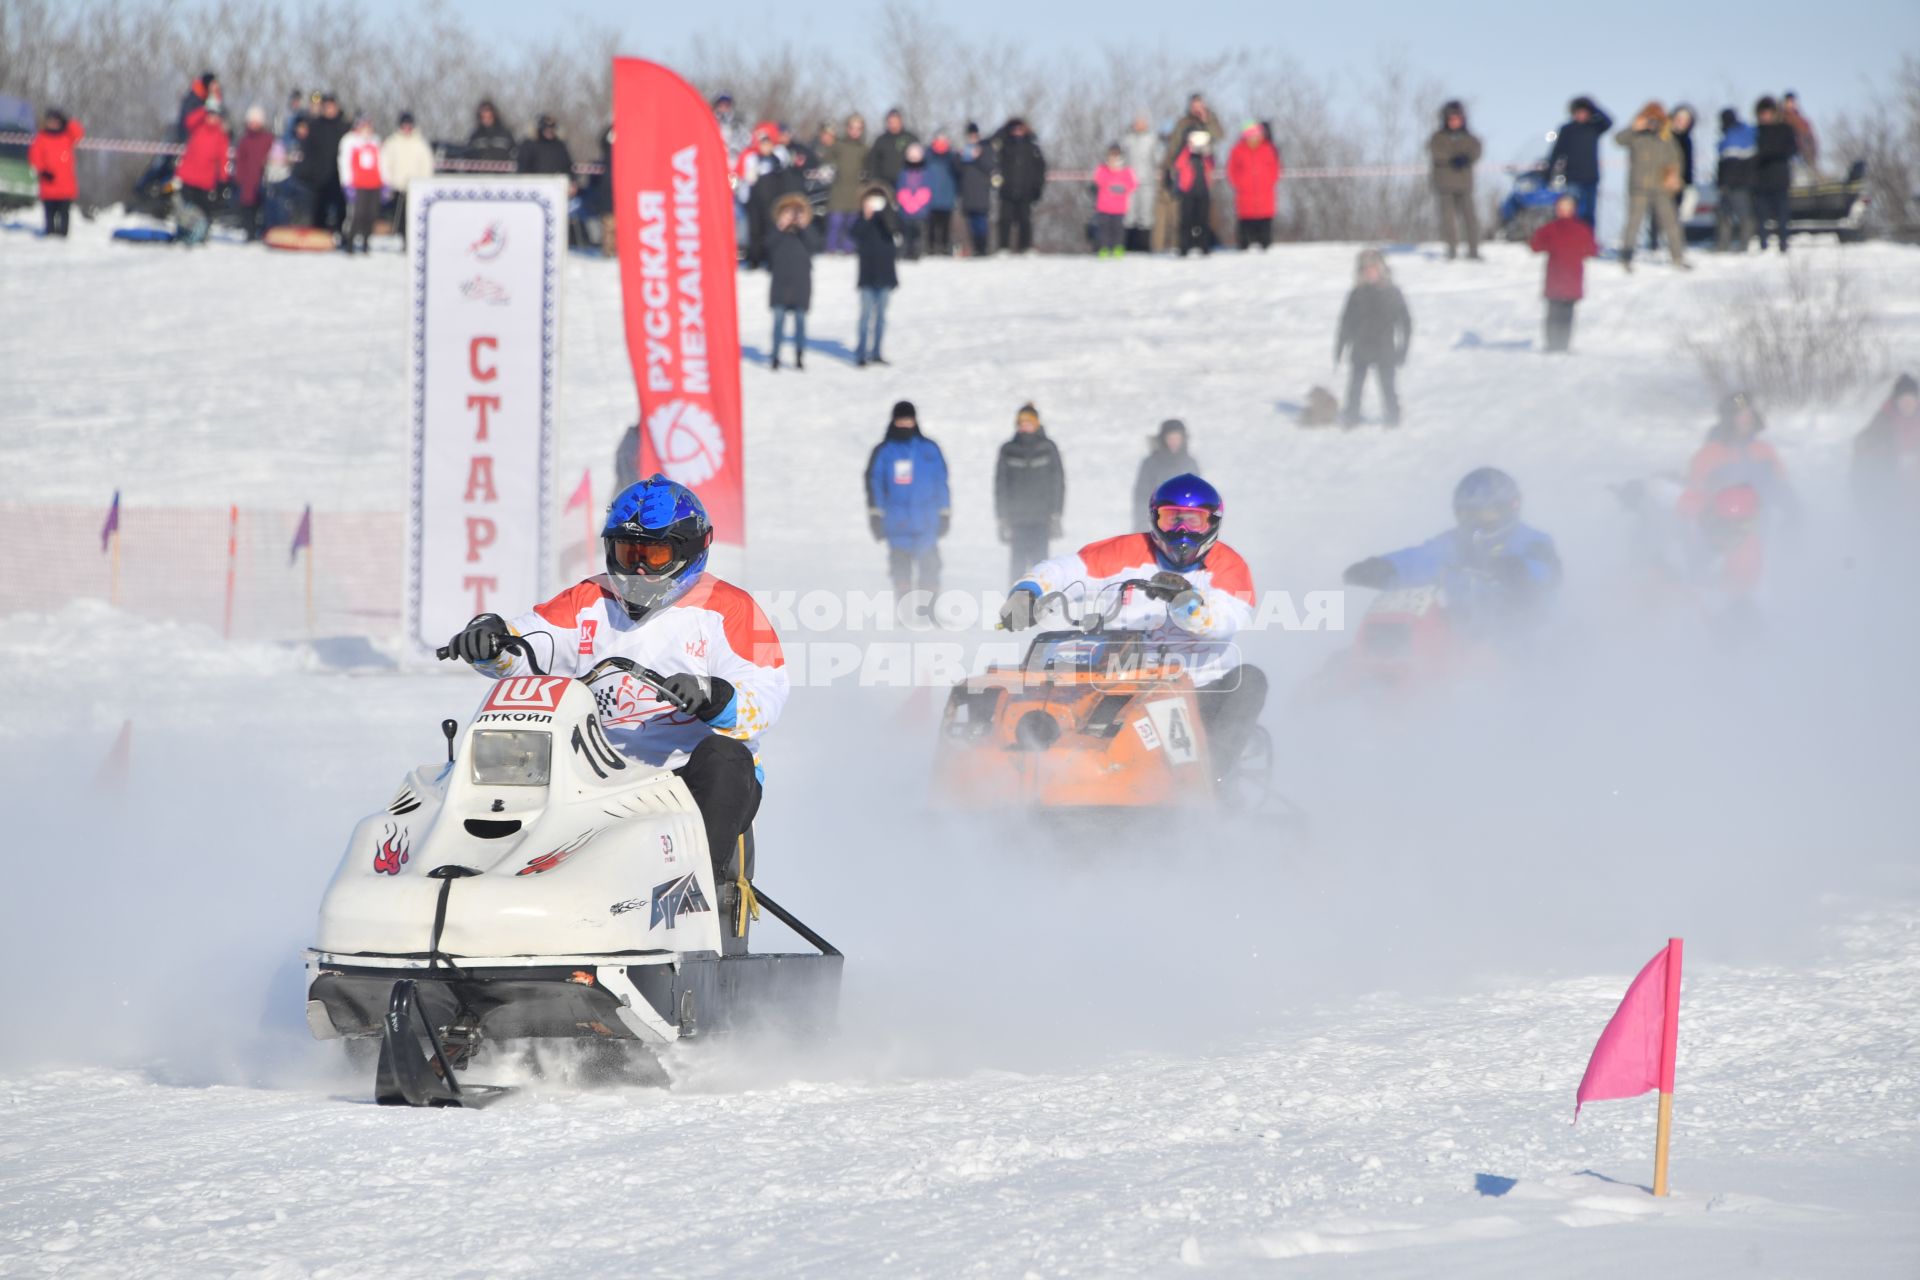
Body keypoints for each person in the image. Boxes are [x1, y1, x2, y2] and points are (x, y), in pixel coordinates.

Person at [443, 475, 787, 888]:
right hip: (593, 772)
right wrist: (491, 642)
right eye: (628, 553)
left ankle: (694, 891)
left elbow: (765, 695)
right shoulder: (589, 600)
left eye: (654, 555)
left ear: (691, 550)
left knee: (727, 757)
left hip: (682, 778)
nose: (637, 569)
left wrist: (714, 696)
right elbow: (528, 645)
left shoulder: (729, 609)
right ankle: (470, 874)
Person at [998, 474, 1265, 786]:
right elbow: (1063, 570)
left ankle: (1209, 781)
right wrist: (1029, 592)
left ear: (1212, 524)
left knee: (1250, 681)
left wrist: (1183, 601)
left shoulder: (1229, 567)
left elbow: (1223, 620)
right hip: (1119, 680)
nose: (1181, 531)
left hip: (1199, 687)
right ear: (1154, 519)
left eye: (1193, 521)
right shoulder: (1124, 552)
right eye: (1171, 519)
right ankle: (1032, 774)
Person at [1343, 467, 1562, 638]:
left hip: (1522, 639)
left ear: (1509, 508)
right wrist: (1385, 568)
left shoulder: (1533, 542)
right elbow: (1419, 559)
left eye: (1487, 514)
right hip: (1463, 636)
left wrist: (1518, 570)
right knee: (1391, 638)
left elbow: (1546, 572)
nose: (1477, 522)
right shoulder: (1455, 543)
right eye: (1468, 514)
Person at [865, 401, 950, 602]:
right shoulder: (884, 451)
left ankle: (928, 611)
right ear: (894, 421)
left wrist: (944, 512)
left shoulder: (929, 449)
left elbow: (941, 481)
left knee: (931, 566)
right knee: (900, 569)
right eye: (900, 420)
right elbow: (874, 483)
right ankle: (904, 611)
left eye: (908, 420)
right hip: (897, 522)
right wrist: (875, 515)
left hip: (926, 521)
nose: (904, 424)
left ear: (915, 421)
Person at [1677, 391, 1799, 525]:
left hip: (1757, 528)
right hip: (1719, 530)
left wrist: (1792, 517)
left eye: (1750, 414)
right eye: (1741, 414)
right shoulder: (1710, 453)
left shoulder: (1763, 451)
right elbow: (1695, 491)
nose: (1747, 419)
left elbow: (1781, 486)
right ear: (1729, 418)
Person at [1334, 248, 1412, 427]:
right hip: (1360, 348)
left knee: (1388, 388)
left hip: (1385, 349)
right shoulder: (1356, 294)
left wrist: (1403, 349)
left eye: (1373, 268)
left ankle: (1393, 419)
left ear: (1381, 269)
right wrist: (1339, 348)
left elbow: (1406, 323)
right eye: (1365, 269)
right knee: (1354, 388)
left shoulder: (1392, 293)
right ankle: (1351, 417)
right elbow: (1345, 323)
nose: (1369, 272)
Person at [995, 403, 1066, 580]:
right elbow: (1000, 485)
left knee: (1041, 568)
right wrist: (1002, 518)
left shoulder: (1048, 448)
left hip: (1041, 519)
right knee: (1017, 568)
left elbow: (1058, 482)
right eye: (1021, 422)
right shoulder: (1008, 449)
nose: (1024, 426)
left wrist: (1056, 514)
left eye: (1028, 422)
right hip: (1017, 520)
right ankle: (1016, 606)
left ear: (1036, 423)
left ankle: (1041, 605)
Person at [1615, 102, 1689, 271]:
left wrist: (1674, 177)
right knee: (1633, 223)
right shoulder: (1635, 136)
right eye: (1650, 119)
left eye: (1656, 120)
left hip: (1661, 188)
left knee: (1671, 223)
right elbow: (1618, 140)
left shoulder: (1666, 138)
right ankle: (1626, 257)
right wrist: (1634, 128)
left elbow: (1676, 159)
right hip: (1639, 187)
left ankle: (1678, 257)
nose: (1653, 123)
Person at [1850, 373, 1920, 540]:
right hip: (1891, 497)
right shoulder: (1884, 420)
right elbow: (1862, 447)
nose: (1907, 404)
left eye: (1912, 399)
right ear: (1896, 401)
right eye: (1903, 400)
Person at [1528, 193, 1598, 353]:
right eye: (1561, 207)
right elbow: (1592, 250)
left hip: (1563, 281)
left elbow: (1535, 245)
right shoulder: (1572, 229)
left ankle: (1558, 345)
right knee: (1561, 315)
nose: (1563, 210)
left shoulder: (1555, 229)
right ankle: (1557, 345)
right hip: (1562, 281)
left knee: (1559, 315)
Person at [1426, 100, 1482, 260]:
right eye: (1451, 118)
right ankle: (1451, 249)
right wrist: (1454, 158)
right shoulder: (1438, 138)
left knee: (1470, 218)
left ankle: (1473, 250)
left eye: (1457, 118)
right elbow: (1437, 153)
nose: (1454, 121)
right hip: (1444, 184)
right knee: (1448, 220)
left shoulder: (1470, 138)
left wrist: (1465, 158)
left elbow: (1476, 151)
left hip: (1464, 184)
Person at [1548, 96, 1613, 228]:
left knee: (1589, 213)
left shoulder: (1594, 128)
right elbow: (1557, 153)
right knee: (1572, 212)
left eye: (1585, 111)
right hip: (1573, 178)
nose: (1582, 115)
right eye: (1579, 111)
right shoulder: (1567, 129)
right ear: (1574, 113)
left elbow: (1609, 122)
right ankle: (1571, 239)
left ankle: (1588, 241)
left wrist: (1594, 107)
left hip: (1591, 178)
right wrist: (1549, 172)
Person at [175, 98, 231, 246]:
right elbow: (188, 121)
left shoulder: (221, 136)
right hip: (188, 178)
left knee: (204, 210)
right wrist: (203, 110)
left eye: (215, 114)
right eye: (210, 114)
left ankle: (200, 235)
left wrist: (224, 179)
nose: (212, 118)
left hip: (205, 182)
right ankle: (182, 233)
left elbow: (224, 160)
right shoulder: (197, 128)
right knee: (185, 209)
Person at [852, 188, 898, 366]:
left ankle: (877, 352)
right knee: (865, 317)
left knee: (881, 318)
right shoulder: (862, 220)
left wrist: (886, 212)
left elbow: (894, 229)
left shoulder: (888, 217)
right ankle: (862, 352)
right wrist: (866, 216)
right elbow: (854, 234)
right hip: (867, 277)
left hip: (885, 276)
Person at [767, 193, 812, 371]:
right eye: (788, 213)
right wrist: (781, 226)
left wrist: (803, 226)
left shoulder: (804, 234)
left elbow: (815, 244)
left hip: (801, 285)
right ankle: (775, 356)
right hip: (780, 285)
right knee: (778, 323)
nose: (792, 217)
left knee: (800, 323)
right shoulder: (777, 234)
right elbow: (768, 246)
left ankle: (799, 355)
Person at [1133, 419, 1200, 526]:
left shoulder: (1190, 463)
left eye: (1177, 438)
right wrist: (1143, 525)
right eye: (1170, 438)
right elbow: (1141, 496)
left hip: (1185, 523)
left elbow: (1198, 494)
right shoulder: (1150, 463)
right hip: (1157, 521)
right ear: (1163, 439)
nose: (1174, 442)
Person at [993, 118, 1046, 253]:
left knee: (1025, 220)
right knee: (1005, 220)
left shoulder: (1033, 148)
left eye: (1020, 129)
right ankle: (1003, 247)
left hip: (1026, 191)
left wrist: (1037, 187)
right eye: (1014, 129)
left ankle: (1025, 247)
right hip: (1007, 190)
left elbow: (1040, 169)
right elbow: (994, 163)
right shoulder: (1004, 146)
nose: (1017, 132)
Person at [381, 111, 434, 246]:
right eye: (404, 125)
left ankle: (412, 240)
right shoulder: (392, 142)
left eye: (409, 125)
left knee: (413, 215)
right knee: (400, 216)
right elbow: (385, 162)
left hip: (416, 186)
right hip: (398, 186)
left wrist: (424, 181)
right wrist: (388, 181)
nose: (407, 128)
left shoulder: (420, 143)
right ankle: (402, 238)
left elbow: (427, 164)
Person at [27, 109, 83, 238]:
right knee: (50, 222)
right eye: (50, 121)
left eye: (56, 121)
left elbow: (78, 133)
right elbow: (34, 157)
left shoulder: (67, 137)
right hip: (49, 186)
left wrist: (68, 121)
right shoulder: (41, 138)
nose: (53, 124)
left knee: (64, 219)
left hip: (65, 187)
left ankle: (63, 241)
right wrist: (42, 171)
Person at [1753, 96, 1798, 254]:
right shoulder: (1756, 131)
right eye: (1762, 113)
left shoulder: (1785, 129)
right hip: (1761, 180)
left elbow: (1792, 149)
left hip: (1780, 179)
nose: (1765, 116)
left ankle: (1784, 243)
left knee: (1783, 214)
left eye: (1768, 113)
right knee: (1761, 215)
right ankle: (1763, 244)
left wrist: (1772, 154)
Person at [1227, 121, 1281, 251]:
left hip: (1265, 194)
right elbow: (1231, 169)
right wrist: (1239, 183)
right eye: (1250, 135)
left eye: (1256, 134)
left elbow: (1275, 168)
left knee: (1265, 223)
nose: (1253, 138)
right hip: (1245, 195)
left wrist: (1269, 182)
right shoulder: (1238, 150)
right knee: (1245, 223)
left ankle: (1265, 243)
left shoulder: (1268, 148)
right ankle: (1244, 244)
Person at [299, 94, 350, 231]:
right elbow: (308, 151)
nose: (329, 110)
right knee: (319, 207)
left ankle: (340, 233)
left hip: (338, 175)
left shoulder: (345, 126)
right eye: (326, 107)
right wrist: (308, 170)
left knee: (340, 207)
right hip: (319, 175)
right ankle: (318, 232)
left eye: (331, 106)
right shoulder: (315, 126)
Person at [338, 115, 384, 254]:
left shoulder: (375, 142)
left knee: (371, 215)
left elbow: (382, 163)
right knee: (357, 215)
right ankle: (351, 242)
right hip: (357, 184)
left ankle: (365, 241)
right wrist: (347, 183)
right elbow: (344, 163)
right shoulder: (350, 141)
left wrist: (385, 182)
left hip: (374, 184)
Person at [823, 114, 868, 253]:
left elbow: (868, 167)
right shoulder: (838, 146)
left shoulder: (864, 149)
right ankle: (831, 248)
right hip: (838, 190)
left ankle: (849, 248)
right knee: (835, 221)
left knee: (852, 223)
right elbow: (826, 162)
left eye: (858, 128)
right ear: (847, 128)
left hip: (856, 191)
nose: (855, 131)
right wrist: (829, 170)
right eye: (852, 127)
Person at [1714, 107, 1757, 253]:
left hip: (1737, 184)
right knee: (1724, 215)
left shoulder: (1736, 136)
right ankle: (1725, 245)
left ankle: (1740, 245)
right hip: (1730, 183)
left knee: (1741, 215)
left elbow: (1731, 164)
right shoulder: (1734, 135)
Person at [1169, 126, 1215, 257]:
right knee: (1186, 220)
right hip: (1187, 190)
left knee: (1203, 221)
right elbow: (1178, 164)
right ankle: (1184, 247)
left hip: (1203, 190)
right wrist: (1188, 149)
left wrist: (1206, 153)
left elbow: (1211, 166)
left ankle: (1203, 246)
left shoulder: (1206, 154)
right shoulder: (1184, 151)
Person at [232, 106, 275, 241]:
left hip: (263, 179)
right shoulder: (245, 140)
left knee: (265, 208)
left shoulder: (268, 139)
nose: (254, 124)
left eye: (256, 121)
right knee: (248, 209)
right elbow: (240, 160)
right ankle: (250, 233)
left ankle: (265, 233)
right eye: (251, 121)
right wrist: (239, 177)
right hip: (248, 180)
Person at [1091, 144, 1137, 258]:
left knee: (1118, 229)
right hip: (1104, 207)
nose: (1113, 162)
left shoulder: (1127, 171)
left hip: (1119, 208)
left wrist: (1123, 187)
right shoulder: (1102, 170)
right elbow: (1098, 181)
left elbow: (1132, 184)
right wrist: (1110, 184)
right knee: (1104, 229)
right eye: (1111, 159)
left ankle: (1118, 248)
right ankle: (1104, 248)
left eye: (1116, 159)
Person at [1122, 115, 1159, 253]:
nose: (1140, 125)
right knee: (1129, 214)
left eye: (1142, 122)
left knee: (1146, 214)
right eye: (1137, 122)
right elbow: (1122, 159)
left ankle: (1144, 246)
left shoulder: (1152, 139)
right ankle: (1128, 245)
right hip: (1128, 183)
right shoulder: (1128, 139)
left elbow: (1158, 158)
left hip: (1147, 182)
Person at [958, 124, 995, 256]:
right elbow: (958, 171)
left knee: (981, 222)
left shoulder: (985, 149)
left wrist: (978, 156)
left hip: (981, 193)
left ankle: (983, 248)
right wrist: (960, 158)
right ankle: (976, 247)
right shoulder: (963, 151)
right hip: (968, 193)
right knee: (971, 223)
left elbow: (990, 167)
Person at [894, 142, 932, 260]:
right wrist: (907, 202)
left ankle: (917, 252)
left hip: (921, 211)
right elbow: (900, 189)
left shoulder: (926, 173)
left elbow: (927, 190)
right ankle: (905, 251)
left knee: (918, 234)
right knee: (905, 233)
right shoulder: (903, 173)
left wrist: (917, 203)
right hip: (905, 211)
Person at [865, 109, 919, 188]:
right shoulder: (881, 140)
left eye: (896, 122)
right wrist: (875, 181)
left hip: (907, 184)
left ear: (901, 122)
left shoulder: (911, 139)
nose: (893, 125)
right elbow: (873, 162)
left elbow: (920, 161)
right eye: (891, 122)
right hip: (884, 184)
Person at [925, 133, 958, 256]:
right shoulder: (927, 157)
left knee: (945, 225)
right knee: (931, 225)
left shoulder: (952, 158)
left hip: (947, 197)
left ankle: (944, 247)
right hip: (931, 197)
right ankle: (930, 247)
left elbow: (959, 174)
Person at [1782, 91, 1820, 179]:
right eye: (1788, 102)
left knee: (1803, 179)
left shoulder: (1803, 122)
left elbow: (1811, 139)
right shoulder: (1781, 120)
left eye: (1792, 102)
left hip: (1801, 156)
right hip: (1786, 157)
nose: (1790, 105)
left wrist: (1811, 156)